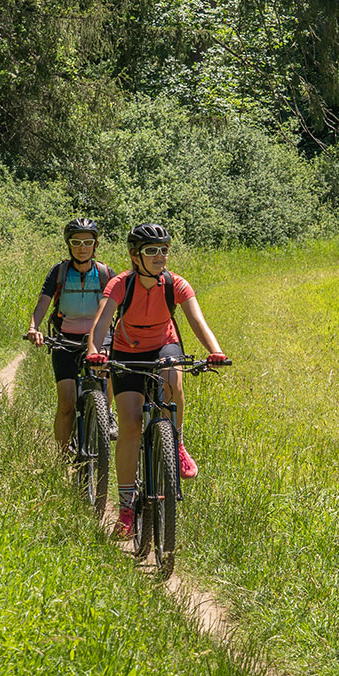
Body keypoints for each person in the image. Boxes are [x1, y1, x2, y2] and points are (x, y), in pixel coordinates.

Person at [85, 223, 228, 537]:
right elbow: (101, 322)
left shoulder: (175, 284)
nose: (161, 256)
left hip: (164, 344)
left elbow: (197, 321)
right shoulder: (121, 284)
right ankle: (126, 508)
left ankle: (175, 442)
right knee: (131, 425)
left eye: (164, 249)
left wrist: (215, 351)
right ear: (136, 257)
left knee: (173, 380)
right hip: (127, 351)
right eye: (152, 251)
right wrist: (95, 351)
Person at [26, 218, 116, 452]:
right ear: (69, 244)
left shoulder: (106, 274)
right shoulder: (59, 272)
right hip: (65, 338)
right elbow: (43, 302)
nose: (82, 247)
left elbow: (121, 309)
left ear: (95, 245)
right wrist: (33, 328)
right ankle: (63, 459)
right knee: (66, 403)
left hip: (99, 338)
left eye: (88, 242)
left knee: (106, 372)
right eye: (76, 242)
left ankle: (107, 412)